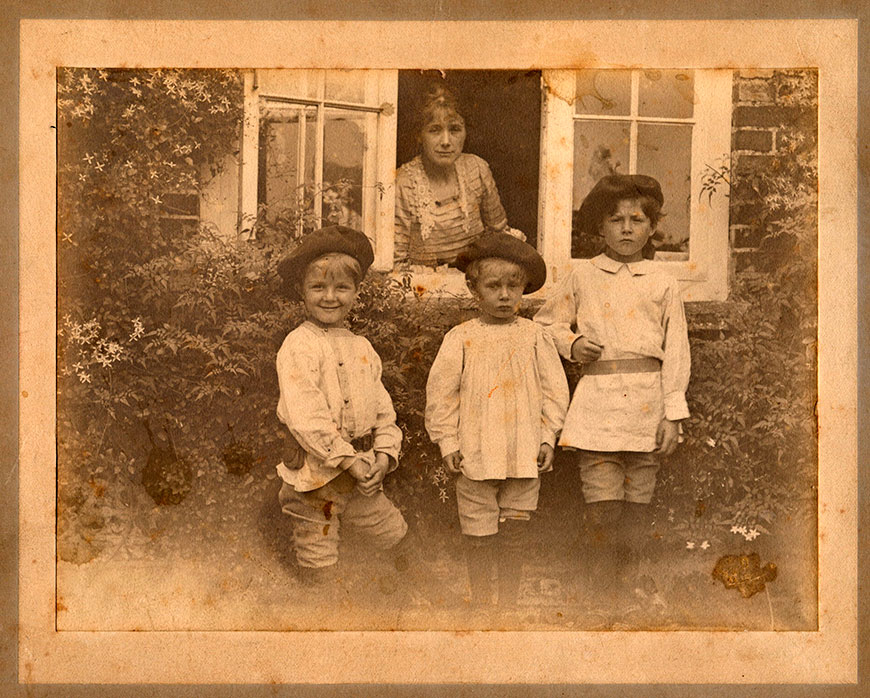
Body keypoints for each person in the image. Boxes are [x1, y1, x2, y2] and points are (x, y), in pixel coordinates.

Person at [534, 174, 691, 605]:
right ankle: (599, 598)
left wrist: (672, 415)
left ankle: (628, 594)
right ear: (598, 228)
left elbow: (676, 350)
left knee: (638, 506)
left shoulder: (661, 282)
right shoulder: (583, 277)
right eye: (615, 219)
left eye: (637, 219)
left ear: (652, 227)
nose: (626, 228)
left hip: (647, 402)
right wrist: (573, 344)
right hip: (599, 403)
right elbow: (545, 324)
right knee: (602, 508)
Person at [425, 233, 569, 607]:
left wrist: (547, 438)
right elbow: (442, 395)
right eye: (494, 286)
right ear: (475, 290)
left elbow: (555, 391)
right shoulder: (462, 338)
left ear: (523, 289)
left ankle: (506, 604)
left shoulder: (535, 337)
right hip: (475, 453)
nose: (504, 295)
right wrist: (448, 443)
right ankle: (481, 602)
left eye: (513, 286)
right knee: (478, 529)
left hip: (523, 454)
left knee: (517, 530)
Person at [274, 225, 410, 586]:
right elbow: (306, 416)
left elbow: (383, 411)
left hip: (362, 475)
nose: (330, 297)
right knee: (318, 552)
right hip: (316, 479)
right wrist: (348, 460)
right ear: (302, 291)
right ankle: (322, 619)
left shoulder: (362, 347)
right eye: (318, 287)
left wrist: (382, 456)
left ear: (357, 292)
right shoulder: (298, 346)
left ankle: (434, 605)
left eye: (342, 287)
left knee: (395, 533)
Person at [394, 84, 514, 268]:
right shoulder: (404, 184)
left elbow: (499, 234)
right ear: (420, 135)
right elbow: (396, 259)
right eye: (434, 130)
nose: (446, 142)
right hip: (421, 288)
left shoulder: (477, 170)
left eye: (455, 129)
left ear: (465, 132)